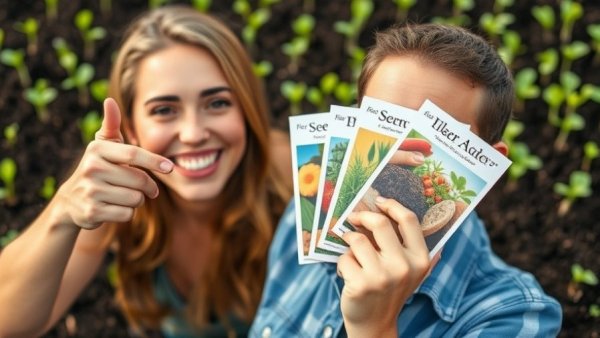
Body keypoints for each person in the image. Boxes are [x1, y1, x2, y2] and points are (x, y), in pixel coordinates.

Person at [250, 23, 562, 337]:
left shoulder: (513, 317)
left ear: (488, 167)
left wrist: (374, 327)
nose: (394, 157)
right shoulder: (304, 218)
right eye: (382, 125)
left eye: (433, 138)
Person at [0, 5, 291, 337]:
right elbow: (9, 324)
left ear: (246, 110)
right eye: (164, 110)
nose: (194, 133)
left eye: (217, 103)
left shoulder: (290, 173)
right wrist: (63, 213)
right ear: (132, 129)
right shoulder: (115, 198)